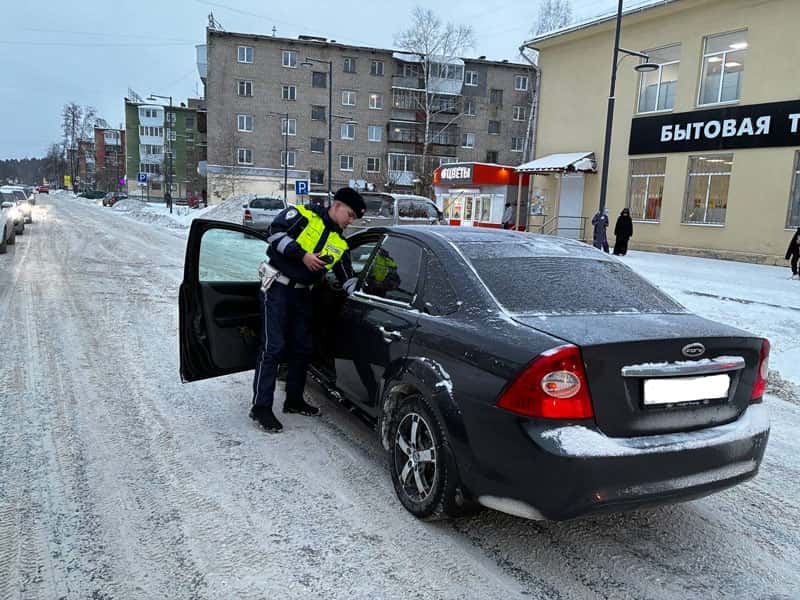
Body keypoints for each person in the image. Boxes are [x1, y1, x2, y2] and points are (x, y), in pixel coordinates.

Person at [250, 187, 366, 433]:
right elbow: (273, 233)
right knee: (273, 347)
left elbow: (347, 277)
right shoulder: (303, 214)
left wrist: (367, 294)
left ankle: (294, 400)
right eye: (350, 214)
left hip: (303, 294)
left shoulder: (339, 243)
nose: (351, 221)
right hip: (277, 287)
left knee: (302, 348)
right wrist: (302, 255)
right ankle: (260, 407)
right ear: (337, 206)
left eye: (355, 217)